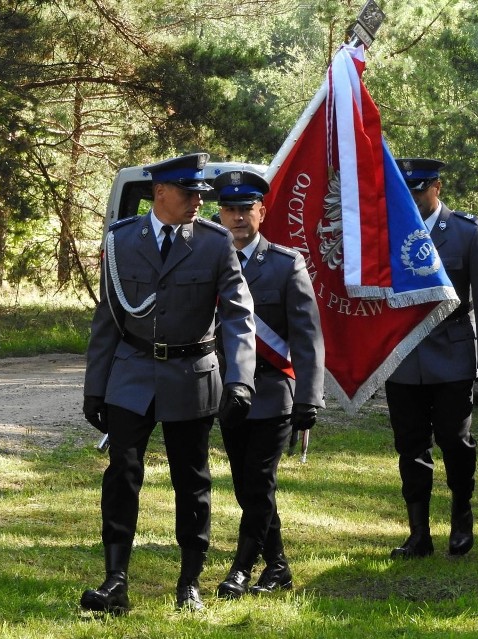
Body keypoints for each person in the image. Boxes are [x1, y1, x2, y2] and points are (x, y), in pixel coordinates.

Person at [80, 152, 257, 614]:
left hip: (191, 374)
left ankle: (189, 583)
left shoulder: (214, 242)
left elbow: (239, 317)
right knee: (122, 475)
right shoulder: (121, 241)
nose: (199, 200)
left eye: (201, 193)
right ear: (161, 193)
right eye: (189, 192)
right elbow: (109, 318)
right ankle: (114, 581)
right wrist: (95, 387)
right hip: (132, 373)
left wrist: (240, 380)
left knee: (191, 479)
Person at [211, 168, 325, 599]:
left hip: (274, 391)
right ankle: (277, 566)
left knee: (258, 481)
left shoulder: (285, 263)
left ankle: (241, 568)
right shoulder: (208, 259)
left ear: (262, 211)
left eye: (246, 209)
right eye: (230, 209)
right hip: (228, 392)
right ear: (220, 213)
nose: (238, 218)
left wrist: (309, 399)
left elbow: (307, 336)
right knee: (246, 485)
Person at [386, 157, 478, 559]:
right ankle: (418, 532)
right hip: (403, 357)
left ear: (436, 187)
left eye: (419, 189)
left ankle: (461, 513)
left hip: (452, 352)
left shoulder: (465, 233)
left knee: (455, 440)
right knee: (410, 446)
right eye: (406, 191)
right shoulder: (386, 231)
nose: (413, 198)